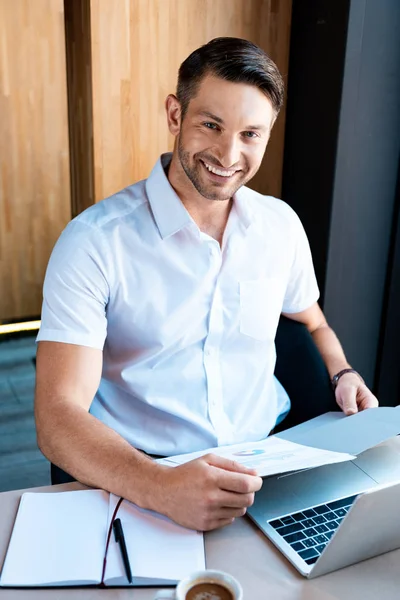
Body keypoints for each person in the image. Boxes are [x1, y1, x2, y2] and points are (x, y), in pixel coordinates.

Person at [34, 37, 378, 532]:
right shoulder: (93, 243)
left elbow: (313, 322)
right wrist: (160, 487)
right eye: (211, 125)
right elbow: (57, 417)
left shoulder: (280, 226)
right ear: (175, 115)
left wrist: (343, 374)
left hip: (268, 463)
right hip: (143, 471)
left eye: (250, 134)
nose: (228, 153)